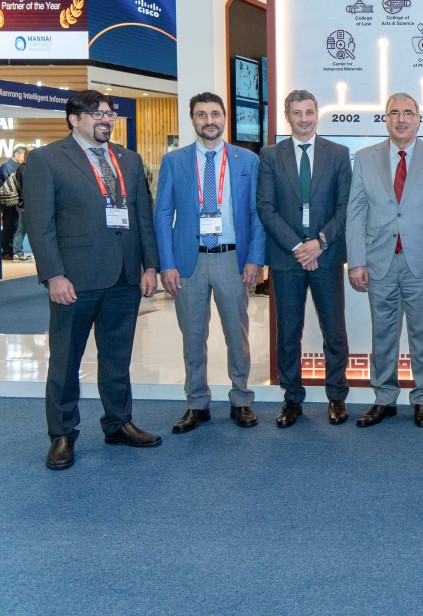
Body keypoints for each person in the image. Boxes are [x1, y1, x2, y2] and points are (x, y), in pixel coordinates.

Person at [23, 91, 161, 470]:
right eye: (96, 114)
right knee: (66, 360)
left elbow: (142, 217)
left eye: (109, 114)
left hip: (125, 276)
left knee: (117, 357)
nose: (105, 120)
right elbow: (40, 224)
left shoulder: (129, 160)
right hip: (75, 279)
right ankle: (62, 434)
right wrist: (54, 274)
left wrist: (150, 266)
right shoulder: (46, 159)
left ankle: (118, 423)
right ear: (74, 119)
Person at [155, 93, 266, 432]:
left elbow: (257, 214)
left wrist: (255, 258)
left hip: (232, 259)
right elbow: (163, 214)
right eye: (201, 114)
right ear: (192, 119)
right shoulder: (174, 161)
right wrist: (166, 264)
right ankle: (197, 403)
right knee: (192, 337)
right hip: (188, 262)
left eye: (215, 114)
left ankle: (241, 400)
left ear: (225, 117)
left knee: (237, 335)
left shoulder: (247, 160)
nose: (209, 120)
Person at [347, 92, 423, 428]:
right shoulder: (365, 158)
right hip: (378, 262)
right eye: (394, 113)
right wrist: (356, 261)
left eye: (408, 112)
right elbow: (355, 213)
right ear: (386, 119)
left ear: (419, 118)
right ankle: (384, 398)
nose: (401, 119)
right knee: (383, 335)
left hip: (422, 264)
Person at [256, 89, 353, 427]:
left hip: (327, 257)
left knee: (334, 332)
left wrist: (320, 242)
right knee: (287, 333)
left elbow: (345, 206)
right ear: (288, 117)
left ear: (317, 114)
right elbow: (265, 207)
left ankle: (337, 397)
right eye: (297, 113)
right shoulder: (270, 155)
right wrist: (299, 247)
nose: (304, 119)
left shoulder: (338, 154)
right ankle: (292, 399)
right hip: (287, 259)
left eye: (309, 112)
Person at [0, 144, 26, 260]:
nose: (24, 157)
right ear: (16, 154)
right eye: (23, 155)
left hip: (16, 202)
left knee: (14, 226)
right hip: (8, 202)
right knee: (8, 226)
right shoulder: (6, 166)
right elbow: (8, 184)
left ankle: (10, 250)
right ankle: (6, 251)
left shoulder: (17, 166)